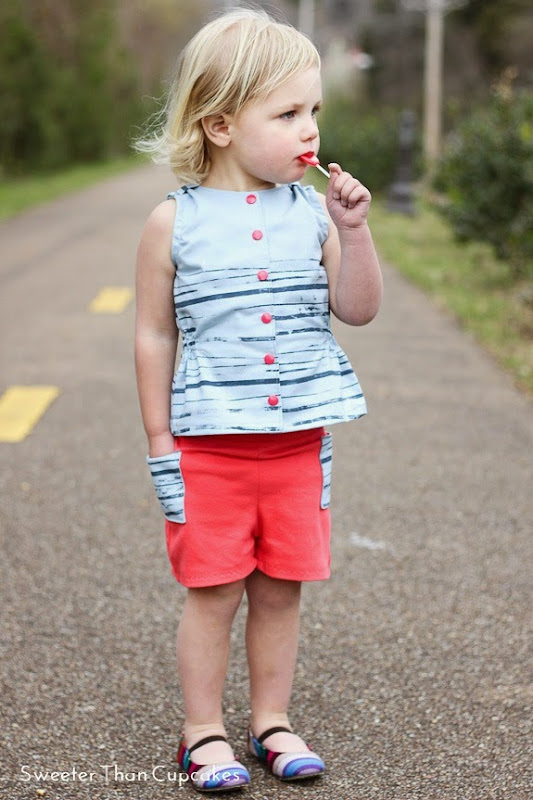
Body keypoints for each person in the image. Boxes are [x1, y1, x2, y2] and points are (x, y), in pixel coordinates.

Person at [134, 6, 382, 793]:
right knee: (212, 594)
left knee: (280, 591)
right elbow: (153, 335)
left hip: (296, 445)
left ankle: (271, 719)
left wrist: (355, 232)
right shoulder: (173, 222)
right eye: (286, 113)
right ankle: (201, 731)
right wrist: (159, 440)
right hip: (208, 447)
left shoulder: (313, 213)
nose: (309, 128)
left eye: (314, 109)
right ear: (219, 125)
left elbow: (358, 309)